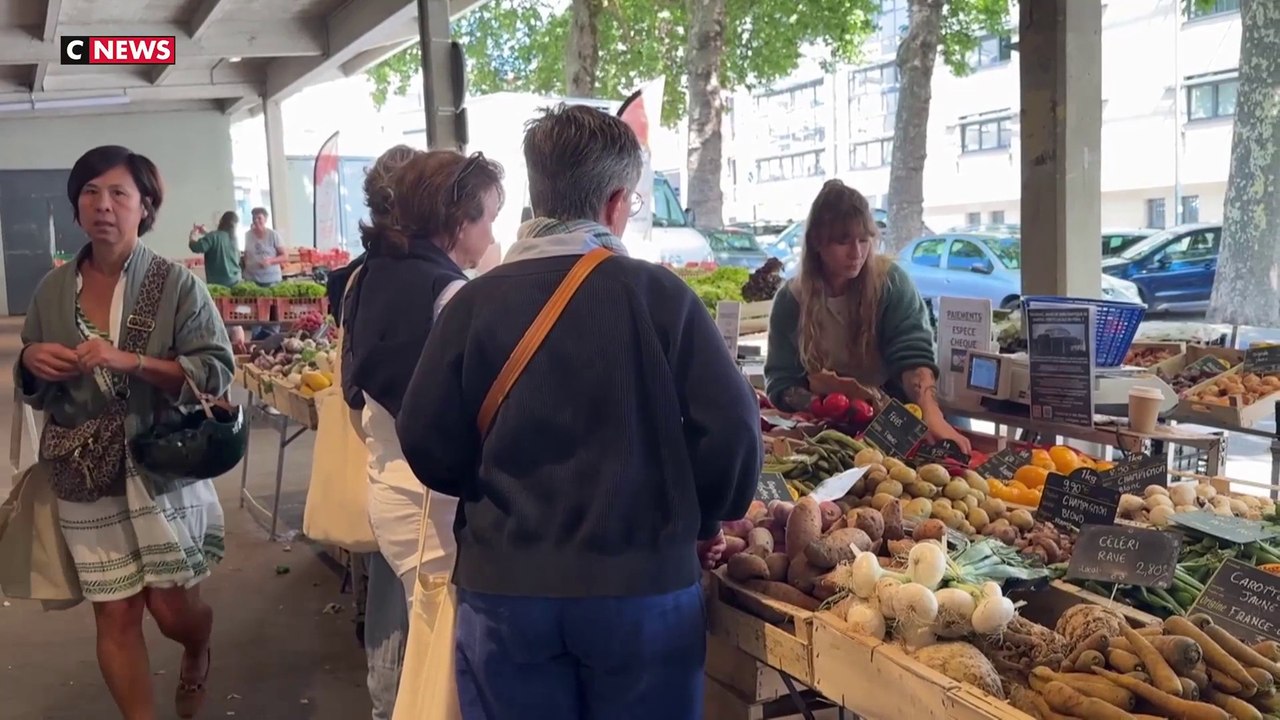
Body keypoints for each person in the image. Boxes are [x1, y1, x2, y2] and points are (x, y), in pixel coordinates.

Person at [395, 104, 761, 720]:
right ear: (618, 202)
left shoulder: (472, 305)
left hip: (504, 590)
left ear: (537, 196)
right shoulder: (660, 297)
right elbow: (731, 429)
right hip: (642, 588)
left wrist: (494, 494)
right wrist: (705, 521)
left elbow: (425, 439)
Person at [15, 145, 233, 719]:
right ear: (76, 206)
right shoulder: (52, 291)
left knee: (171, 608)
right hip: (85, 473)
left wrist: (130, 361)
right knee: (114, 611)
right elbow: (31, 373)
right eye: (90, 192)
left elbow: (215, 370)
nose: (102, 205)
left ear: (145, 206)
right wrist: (32, 359)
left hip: (160, 466)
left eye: (118, 193)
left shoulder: (177, 286)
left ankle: (198, 645)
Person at [341, 146, 504, 720]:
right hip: (432, 504)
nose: (491, 232)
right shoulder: (450, 294)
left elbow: (357, 387)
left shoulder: (373, 275)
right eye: (487, 216)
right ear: (457, 221)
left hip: (390, 487)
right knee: (446, 671)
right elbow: (471, 413)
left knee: (424, 650)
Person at [764, 179, 971, 452]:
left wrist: (931, 416)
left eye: (864, 240)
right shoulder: (791, 300)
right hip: (834, 425)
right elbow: (781, 382)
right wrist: (825, 403)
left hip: (904, 411)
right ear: (817, 241)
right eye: (843, 241)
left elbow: (913, 357)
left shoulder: (892, 283)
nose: (857, 253)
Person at [243, 207, 287, 339]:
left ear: (265, 219)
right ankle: (256, 338)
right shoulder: (248, 235)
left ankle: (272, 337)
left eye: (259, 218)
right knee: (255, 312)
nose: (256, 221)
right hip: (252, 280)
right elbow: (246, 254)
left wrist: (271, 261)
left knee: (273, 312)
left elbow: (285, 256)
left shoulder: (273, 235)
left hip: (271, 280)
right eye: (254, 218)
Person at [188, 211, 242, 287]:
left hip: (219, 283)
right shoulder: (234, 239)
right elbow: (218, 239)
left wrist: (192, 236)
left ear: (221, 221)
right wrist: (207, 233)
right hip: (236, 280)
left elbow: (196, 247)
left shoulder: (213, 236)